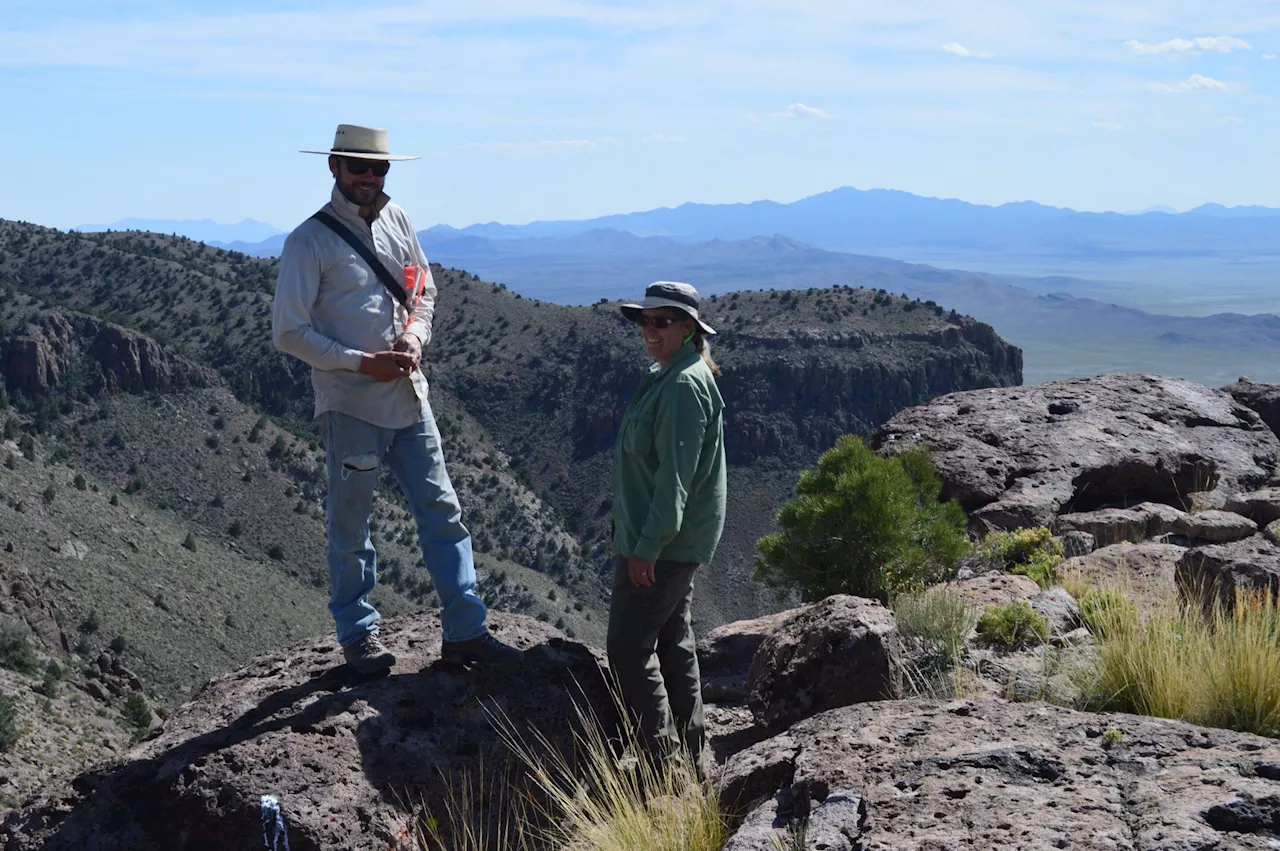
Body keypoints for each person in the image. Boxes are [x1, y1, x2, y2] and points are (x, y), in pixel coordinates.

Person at [273, 123, 522, 673]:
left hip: (410, 395)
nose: (369, 177)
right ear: (333, 166)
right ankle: (358, 633)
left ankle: (465, 627)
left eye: (378, 167)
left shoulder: (399, 220)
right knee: (352, 524)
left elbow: (423, 289)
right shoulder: (308, 241)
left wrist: (413, 337)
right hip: (350, 402)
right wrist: (364, 363)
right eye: (358, 166)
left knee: (443, 511)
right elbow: (288, 332)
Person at [608, 281, 727, 776]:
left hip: (664, 544)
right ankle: (693, 760)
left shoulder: (680, 385)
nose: (649, 330)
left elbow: (674, 481)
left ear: (687, 328)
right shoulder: (669, 374)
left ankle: (664, 767)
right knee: (673, 639)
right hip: (668, 540)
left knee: (629, 648)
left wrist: (647, 548)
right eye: (644, 320)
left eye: (661, 321)